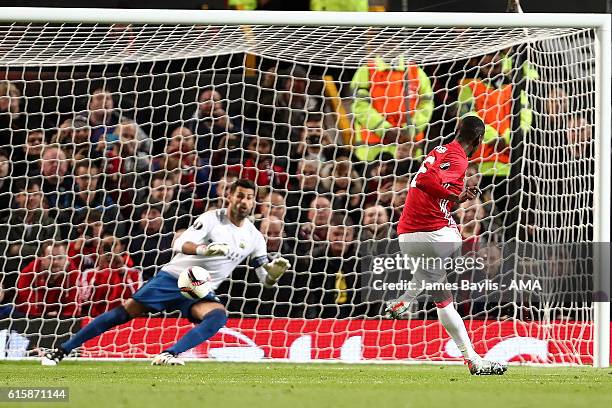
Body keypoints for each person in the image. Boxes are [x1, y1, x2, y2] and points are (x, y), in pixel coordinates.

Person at [43, 179, 291, 366]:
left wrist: (274, 274)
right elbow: (179, 244)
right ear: (230, 196)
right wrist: (206, 249)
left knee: (217, 316)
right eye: (240, 196)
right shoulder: (211, 219)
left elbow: (264, 280)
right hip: (174, 277)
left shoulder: (255, 237)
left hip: (198, 288)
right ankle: (63, 350)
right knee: (124, 313)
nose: (244, 202)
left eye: (249, 198)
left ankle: (169, 353)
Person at [387, 116, 507, 376]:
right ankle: (407, 299)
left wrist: (458, 198)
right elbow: (425, 182)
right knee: (456, 237)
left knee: (443, 299)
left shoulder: (439, 150)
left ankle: (473, 360)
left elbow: (433, 192)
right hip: (434, 233)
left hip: (407, 234)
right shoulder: (459, 158)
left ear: (456, 131)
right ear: (478, 140)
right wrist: (454, 195)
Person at [350, 57, 434, 161]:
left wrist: (409, 129)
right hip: (372, 154)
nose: (390, 42)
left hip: (408, 153)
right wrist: (385, 130)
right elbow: (360, 106)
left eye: (397, 39)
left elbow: (427, 105)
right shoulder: (366, 70)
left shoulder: (416, 71)